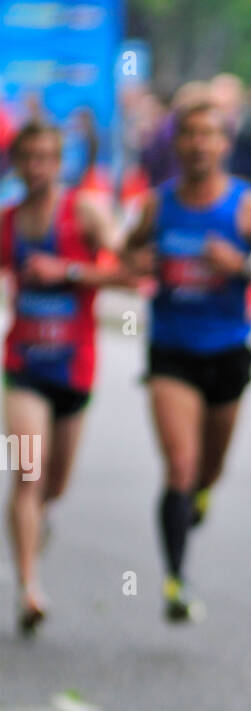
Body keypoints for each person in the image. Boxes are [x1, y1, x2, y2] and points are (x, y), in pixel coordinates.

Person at [121, 100, 251, 622]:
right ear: (176, 144)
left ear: (224, 143)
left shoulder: (246, 207)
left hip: (227, 352)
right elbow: (125, 252)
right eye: (189, 134)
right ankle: (175, 580)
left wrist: (239, 264)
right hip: (171, 348)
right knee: (179, 463)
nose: (198, 144)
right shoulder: (157, 205)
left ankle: (198, 497)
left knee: (208, 471)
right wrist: (138, 262)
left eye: (209, 134)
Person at [1, 121, 129, 632]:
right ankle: (29, 588)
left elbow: (133, 268)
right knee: (28, 474)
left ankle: (40, 520)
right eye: (26, 158)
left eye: (45, 158)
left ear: (59, 162)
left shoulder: (85, 211)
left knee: (55, 484)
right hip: (23, 368)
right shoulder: (8, 222)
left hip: (75, 367)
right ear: (16, 163)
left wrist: (69, 272)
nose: (35, 168)